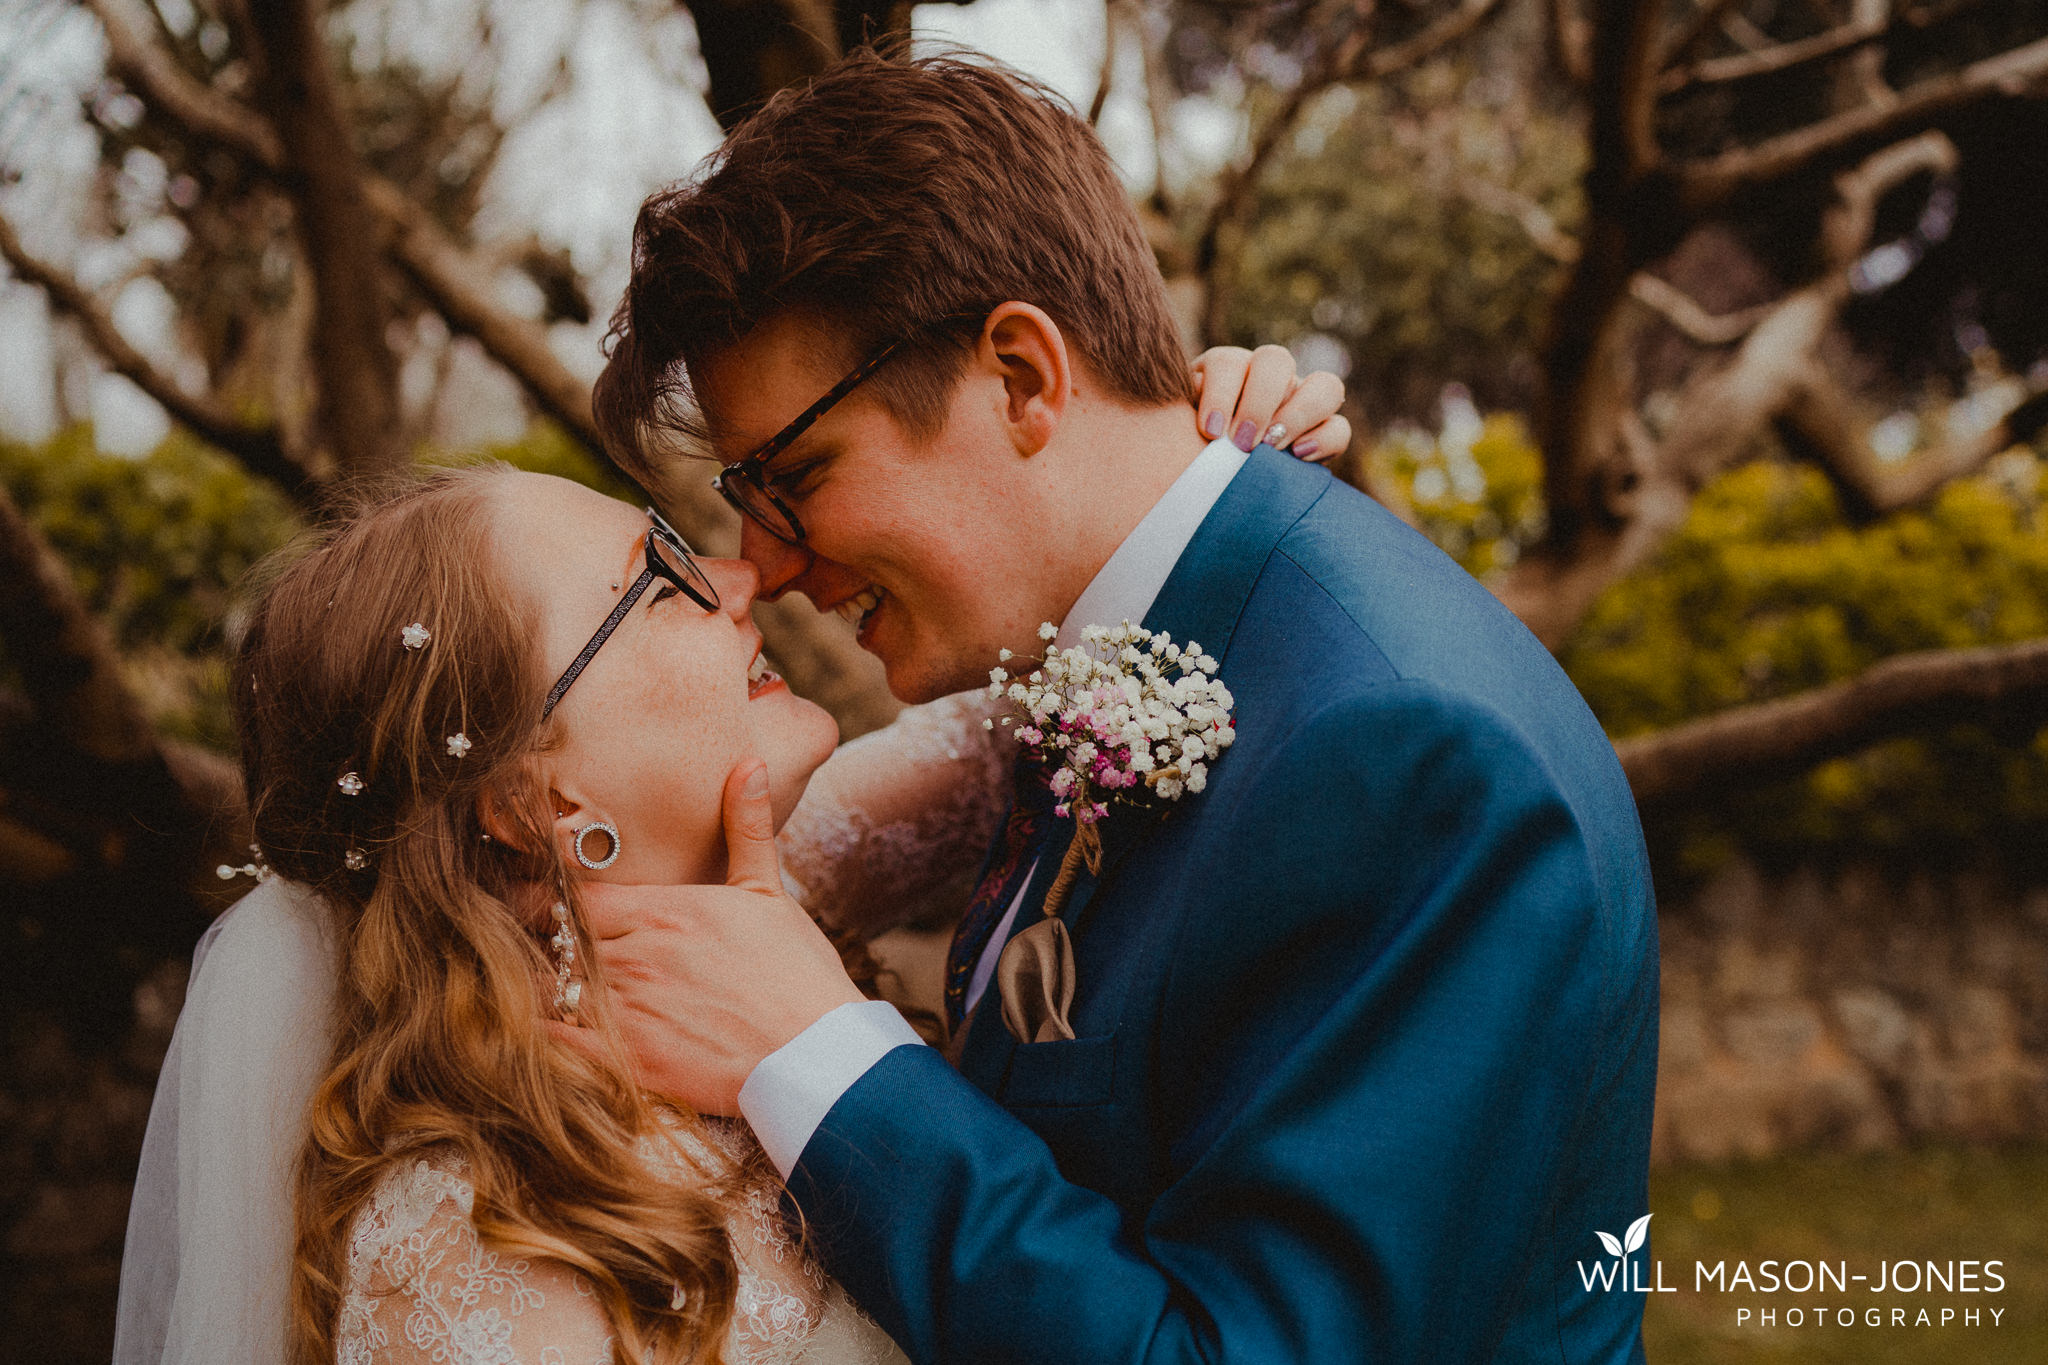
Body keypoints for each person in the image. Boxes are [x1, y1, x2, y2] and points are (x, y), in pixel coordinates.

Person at [579, 50, 1661, 1365]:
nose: (770, 563)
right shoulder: (1129, 633)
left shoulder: (1405, 757)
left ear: (1025, 376)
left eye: (793, 474)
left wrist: (822, 1057)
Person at [110, 346, 1338, 1363]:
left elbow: (1075, 654)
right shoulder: (469, 1253)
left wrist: (1190, 450)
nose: (743, 576)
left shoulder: (772, 887)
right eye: (659, 583)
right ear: (533, 801)